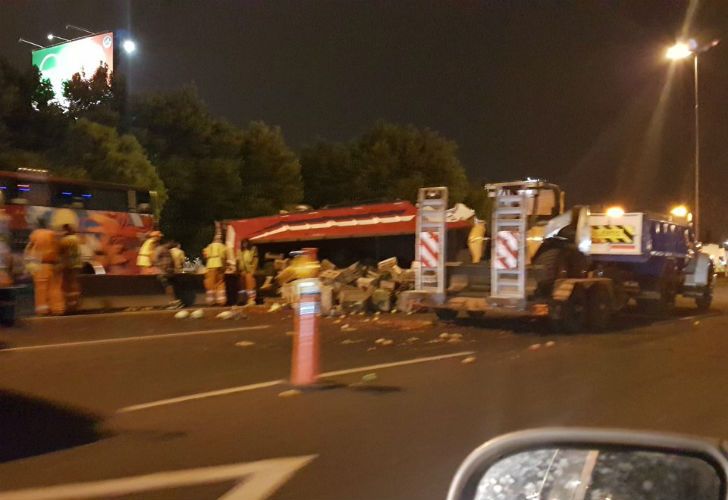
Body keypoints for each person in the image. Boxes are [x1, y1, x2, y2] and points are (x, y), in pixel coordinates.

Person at [24, 222, 64, 315]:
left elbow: (29, 249)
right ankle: (57, 309)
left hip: (40, 265)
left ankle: (42, 310)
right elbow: (59, 248)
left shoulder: (35, 234)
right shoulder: (53, 234)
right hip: (53, 265)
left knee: (41, 288)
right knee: (55, 288)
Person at [59, 224, 82, 312]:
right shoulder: (76, 238)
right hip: (77, 264)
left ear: (65, 231)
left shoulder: (65, 240)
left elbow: (60, 251)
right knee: (75, 283)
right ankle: (76, 303)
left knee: (67, 285)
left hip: (69, 265)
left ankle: (69, 305)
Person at [154, 240, 181, 309]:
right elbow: (156, 259)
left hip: (165, 271)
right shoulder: (164, 250)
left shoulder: (162, 249)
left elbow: (155, 259)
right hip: (167, 270)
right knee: (169, 285)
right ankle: (174, 302)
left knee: (168, 285)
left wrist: (161, 267)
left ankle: (174, 302)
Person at [203, 233, 227, 305]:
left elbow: (205, 256)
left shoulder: (208, 246)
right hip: (219, 265)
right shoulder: (223, 246)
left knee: (210, 284)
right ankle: (221, 301)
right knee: (220, 283)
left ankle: (211, 301)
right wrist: (224, 268)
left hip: (210, 266)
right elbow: (223, 257)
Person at [237, 239, 259, 305]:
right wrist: (239, 270)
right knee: (242, 287)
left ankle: (251, 300)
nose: (244, 244)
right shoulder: (240, 251)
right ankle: (243, 300)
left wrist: (253, 270)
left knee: (251, 286)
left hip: (250, 270)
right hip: (242, 271)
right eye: (243, 243)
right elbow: (238, 261)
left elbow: (255, 260)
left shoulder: (253, 249)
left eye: (246, 243)